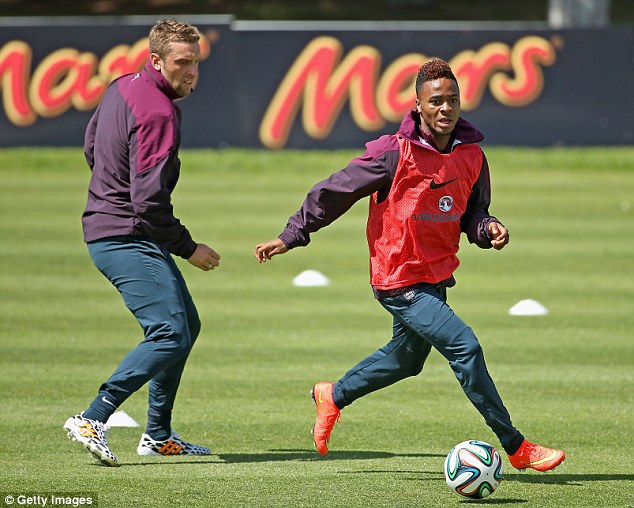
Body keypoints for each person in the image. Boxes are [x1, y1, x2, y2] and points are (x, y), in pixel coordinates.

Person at [255, 59, 565, 472]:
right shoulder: (392, 153)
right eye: (435, 101)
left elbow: (472, 212)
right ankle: (515, 445)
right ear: (418, 106)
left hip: (435, 276)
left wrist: (487, 227)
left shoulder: (472, 155)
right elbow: (334, 191)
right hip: (398, 279)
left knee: (406, 360)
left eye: (452, 99)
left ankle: (333, 395)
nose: (445, 108)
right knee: (465, 346)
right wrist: (292, 234)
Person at [64, 18, 220, 467]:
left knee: (186, 326)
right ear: (156, 60)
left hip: (117, 228)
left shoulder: (122, 86)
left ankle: (158, 434)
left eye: (195, 62)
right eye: (182, 62)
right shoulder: (158, 112)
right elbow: (149, 201)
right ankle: (93, 417)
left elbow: (92, 146)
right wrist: (189, 247)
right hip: (125, 235)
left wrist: (110, 190)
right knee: (170, 332)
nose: (191, 71)